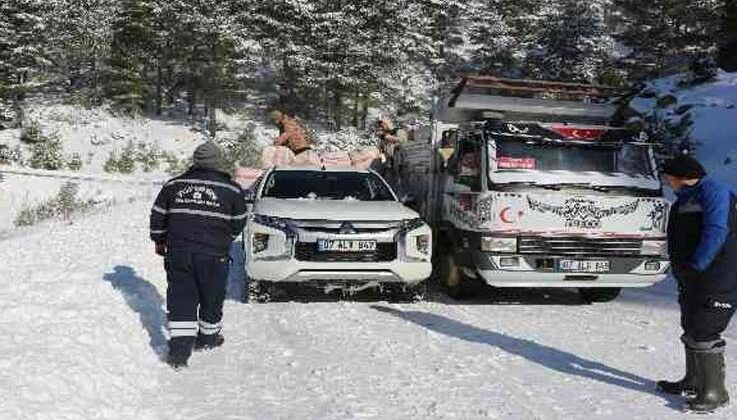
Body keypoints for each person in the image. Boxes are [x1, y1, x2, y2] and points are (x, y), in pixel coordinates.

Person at [150, 141, 247, 369]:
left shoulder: (173, 185)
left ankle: (179, 353)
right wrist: (225, 238)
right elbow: (239, 221)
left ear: (196, 161)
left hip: (179, 252)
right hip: (214, 255)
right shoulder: (231, 189)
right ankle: (208, 338)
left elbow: (158, 216)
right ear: (217, 162)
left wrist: (159, 240)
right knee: (212, 297)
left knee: (181, 299)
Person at [657, 154, 737, 412]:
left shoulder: (715, 192)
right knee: (691, 324)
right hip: (692, 275)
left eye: (669, 178)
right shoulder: (685, 198)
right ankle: (693, 381)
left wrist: (696, 265)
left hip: (718, 274)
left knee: (705, 328)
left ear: (681, 176)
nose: (668, 182)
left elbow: (716, 230)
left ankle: (715, 392)